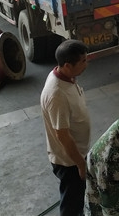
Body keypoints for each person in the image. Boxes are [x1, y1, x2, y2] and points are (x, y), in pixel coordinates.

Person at [41, 40, 91, 216]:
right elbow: (62, 135)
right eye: (83, 61)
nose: (86, 64)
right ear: (68, 65)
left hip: (76, 155)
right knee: (71, 205)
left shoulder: (65, 76)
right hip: (69, 161)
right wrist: (80, 164)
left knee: (77, 198)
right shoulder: (57, 94)